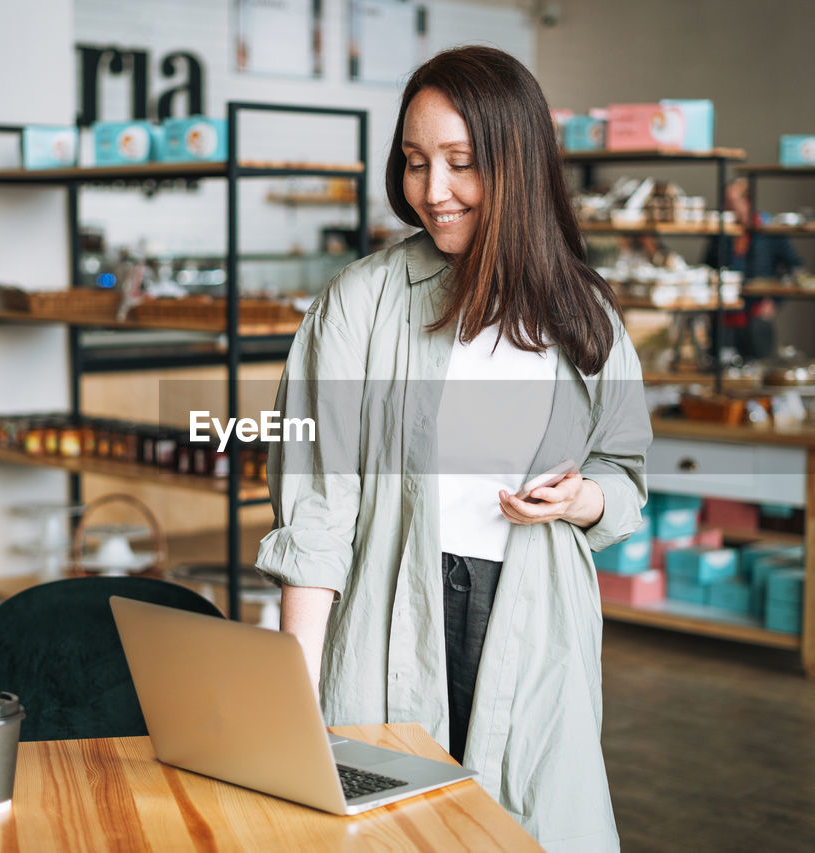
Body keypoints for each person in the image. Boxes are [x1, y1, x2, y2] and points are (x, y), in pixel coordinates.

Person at [255, 46, 651, 850]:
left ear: (518, 163)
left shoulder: (586, 314)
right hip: (395, 606)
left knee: (530, 824)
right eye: (413, 163)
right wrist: (294, 686)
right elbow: (318, 502)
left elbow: (625, 468)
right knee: (390, 823)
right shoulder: (360, 303)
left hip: (535, 616)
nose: (432, 192)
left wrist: (584, 498)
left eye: (461, 163)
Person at [703, 177, 804, 362]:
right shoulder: (720, 233)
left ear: (747, 202)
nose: (727, 209)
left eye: (732, 203)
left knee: (755, 376)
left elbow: (795, 267)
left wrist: (775, 301)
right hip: (724, 321)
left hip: (755, 320)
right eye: (725, 203)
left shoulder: (769, 230)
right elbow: (707, 267)